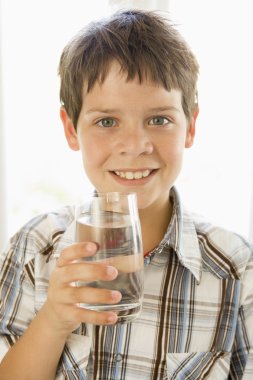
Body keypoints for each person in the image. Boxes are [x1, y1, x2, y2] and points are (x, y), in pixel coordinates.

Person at [0, 8, 252, 380]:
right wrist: (53, 319)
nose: (134, 146)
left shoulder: (235, 269)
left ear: (190, 126)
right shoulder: (34, 249)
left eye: (159, 119)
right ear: (71, 130)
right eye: (106, 121)